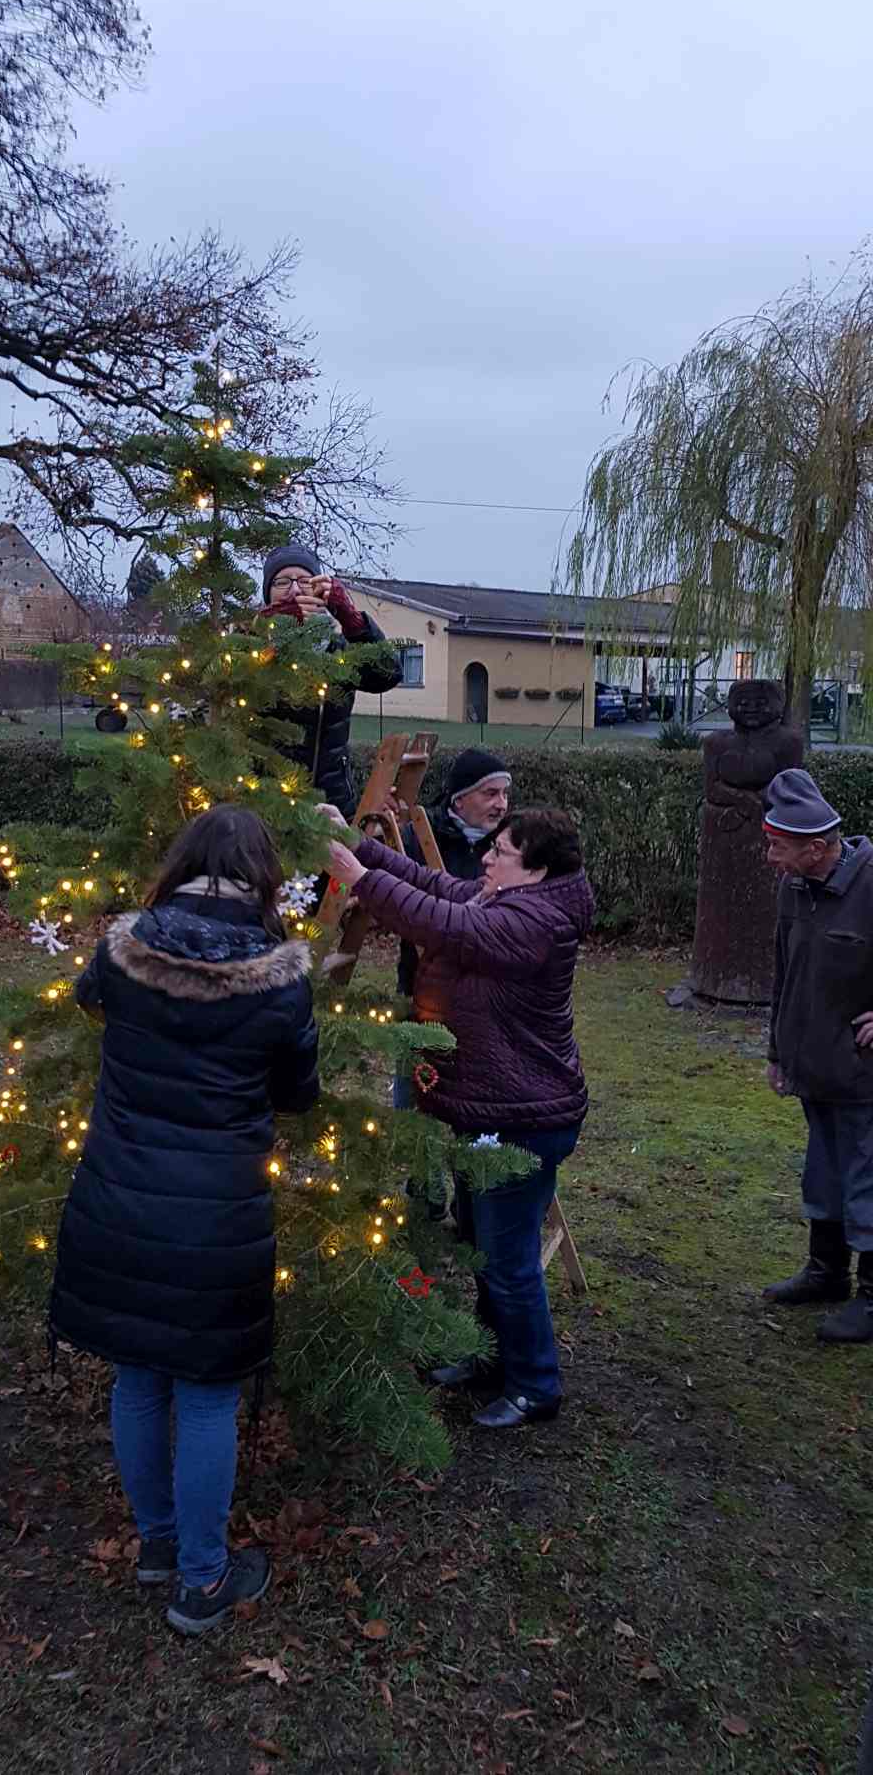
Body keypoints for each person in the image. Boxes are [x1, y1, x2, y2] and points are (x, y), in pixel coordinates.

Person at [49, 807, 319, 1636]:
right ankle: (203, 1582)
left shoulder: (125, 950)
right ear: (262, 875)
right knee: (206, 1398)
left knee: (138, 1377)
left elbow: (89, 1000)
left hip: (118, 1201)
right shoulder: (280, 975)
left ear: (183, 862)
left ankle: (160, 1547)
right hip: (215, 1218)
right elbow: (296, 1096)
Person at [323, 806, 593, 1430]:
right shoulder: (503, 899)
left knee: (507, 1258)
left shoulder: (534, 923)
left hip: (523, 1116)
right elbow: (438, 888)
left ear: (538, 870)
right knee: (481, 1244)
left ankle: (534, 1386)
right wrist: (352, 841)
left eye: (502, 853)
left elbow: (439, 923)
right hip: (489, 1108)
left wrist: (357, 877)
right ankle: (489, 1356)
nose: (486, 860)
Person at [762, 767, 873, 1345]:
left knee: (868, 1178)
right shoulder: (794, 888)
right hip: (814, 1066)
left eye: (778, 846)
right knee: (824, 1171)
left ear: (818, 847)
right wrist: (778, 1051)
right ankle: (827, 1273)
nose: (770, 856)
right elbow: (785, 974)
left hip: (863, 1075)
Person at [391, 749, 511, 1219]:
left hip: (484, 997)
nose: (501, 803)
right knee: (414, 1092)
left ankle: (471, 1202)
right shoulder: (418, 839)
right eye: (490, 792)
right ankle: (424, 1190)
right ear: (461, 799)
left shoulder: (513, 846)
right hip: (422, 989)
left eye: (505, 793)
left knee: (475, 1102)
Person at [259, 543, 403, 816]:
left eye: (304, 581)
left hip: (330, 806)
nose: (294, 589)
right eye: (281, 582)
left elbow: (387, 673)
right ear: (267, 593)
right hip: (262, 806)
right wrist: (279, 628)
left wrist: (353, 621)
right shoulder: (251, 648)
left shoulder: (336, 651)